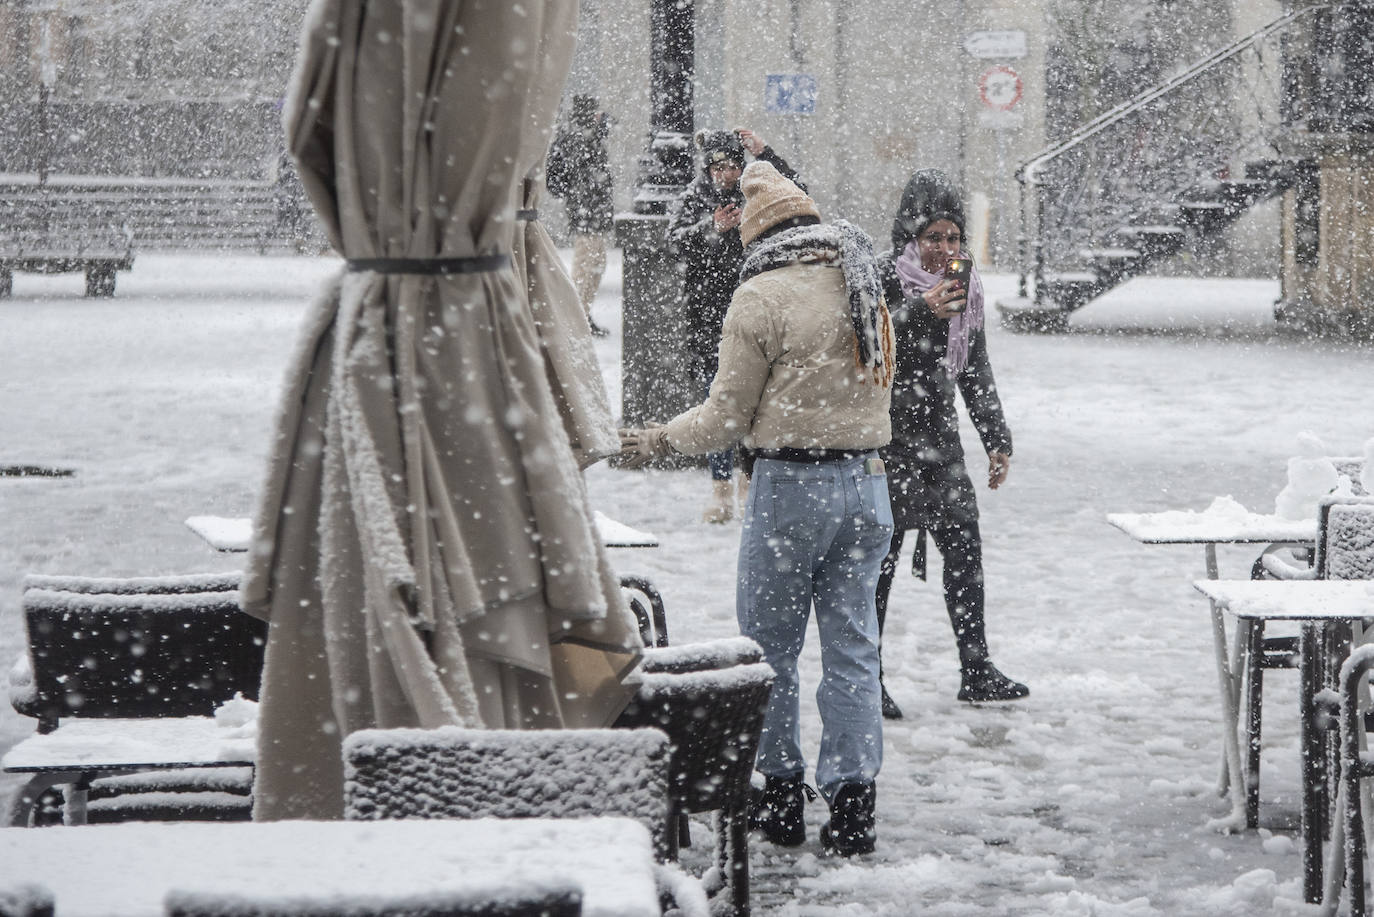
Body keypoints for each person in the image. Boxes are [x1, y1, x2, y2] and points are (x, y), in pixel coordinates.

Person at [620, 161, 895, 856]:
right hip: (868, 484)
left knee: (771, 648)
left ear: (758, 235)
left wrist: (653, 440)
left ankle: (778, 794)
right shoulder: (861, 279)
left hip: (791, 488)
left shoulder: (760, 297)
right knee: (855, 648)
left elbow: (723, 420)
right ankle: (855, 801)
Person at [875, 168, 1028, 716]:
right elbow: (867, 350)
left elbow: (974, 367)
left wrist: (996, 437)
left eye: (953, 237)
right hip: (884, 443)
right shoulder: (881, 279)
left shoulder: (967, 290)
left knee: (965, 549)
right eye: (933, 237)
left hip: (940, 440)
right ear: (910, 238)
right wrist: (919, 311)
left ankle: (977, 667)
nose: (944, 248)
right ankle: (868, 677)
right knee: (880, 560)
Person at [667, 129, 805, 523]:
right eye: (718, 167)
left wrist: (767, 152)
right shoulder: (694, 198)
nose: (726, 174)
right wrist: (711, 229)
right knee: (719, 399)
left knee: (757, 398)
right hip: (709, 314)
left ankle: (749, 480)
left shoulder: (756, 192)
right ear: (707, 168)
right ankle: (720, 487)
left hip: (756, 307)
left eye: (732, 165)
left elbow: (797, 194)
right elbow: (673, 242)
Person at [546, 94, 614, 337]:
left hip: (592, 213)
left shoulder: (582, 137)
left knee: (594, 265)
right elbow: (573, 174)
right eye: (595, 112)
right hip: (587, 213)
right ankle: (575, 317)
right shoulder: (578, 138)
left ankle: (581, 315)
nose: (599, 116)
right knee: (586, 267)